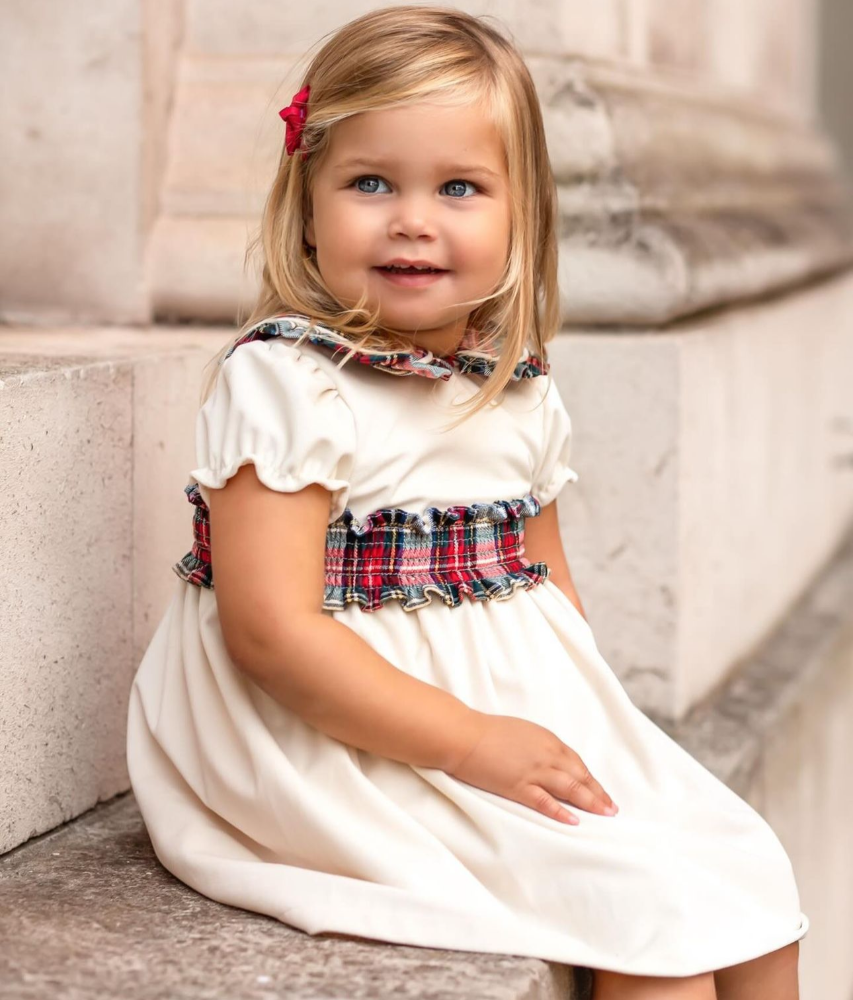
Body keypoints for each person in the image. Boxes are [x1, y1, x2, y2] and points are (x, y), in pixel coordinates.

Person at [126, 7, 808, 997]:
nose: (412, 218)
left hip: (493, 713)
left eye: (458, 187)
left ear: (519, 211)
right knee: (648, 928)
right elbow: (269, 633)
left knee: (748, 883)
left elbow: (548, 582)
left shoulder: (513, 383)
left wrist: (582, 727)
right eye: (369, 183)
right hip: (332, 735)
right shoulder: (289, 382)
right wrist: (469, 741)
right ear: (306, 203)